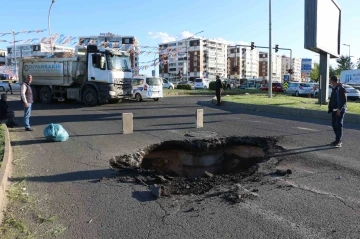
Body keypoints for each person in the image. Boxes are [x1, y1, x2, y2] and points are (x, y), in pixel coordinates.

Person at [328, 75, 347, 148]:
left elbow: (343, 100)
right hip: (334, 110)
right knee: (334, 125)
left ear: (332, 81)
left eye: (330, 81)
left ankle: (338, 141)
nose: (330, 82)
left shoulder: (340, 88)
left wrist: (340, 109)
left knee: (338, 125)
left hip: (339, 110)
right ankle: (337, 140)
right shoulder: (335, 88)